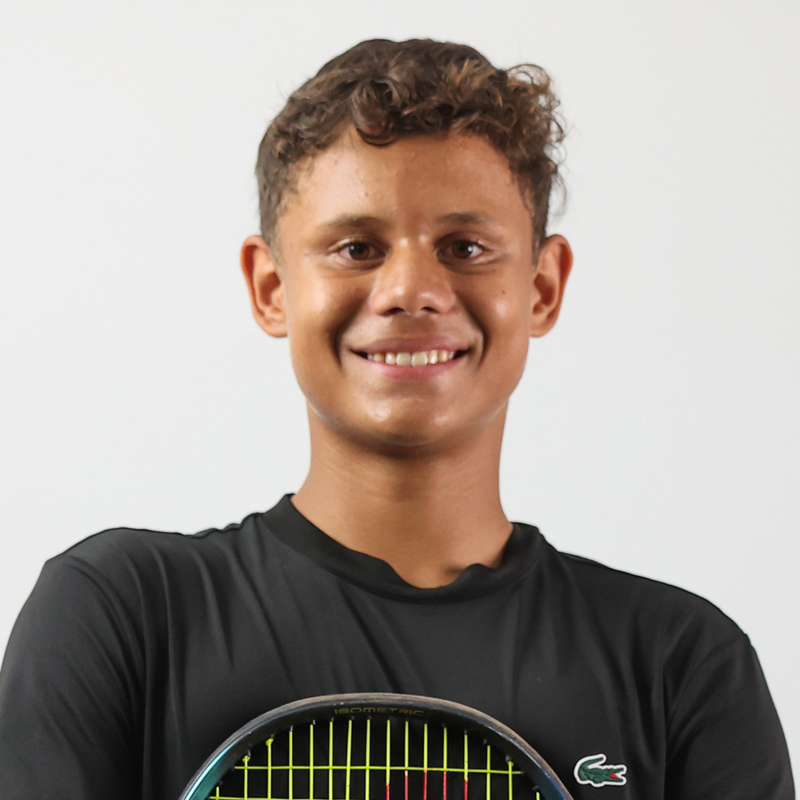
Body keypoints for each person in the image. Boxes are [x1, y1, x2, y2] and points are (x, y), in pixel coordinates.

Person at [0, 38, 793, 800]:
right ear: (271, 288)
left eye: (466, 247)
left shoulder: (681, 663)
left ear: (543, 287)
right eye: (356, 247)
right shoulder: (121, 617)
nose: (411, 289)